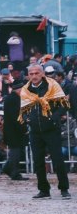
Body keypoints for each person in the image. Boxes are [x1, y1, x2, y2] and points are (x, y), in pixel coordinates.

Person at [20, 64, 70, 199]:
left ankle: (64, 189)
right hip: (35, 131)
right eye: (31, 73)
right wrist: (27, 119)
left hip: (51, 129)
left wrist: (53, 118)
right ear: (28, 75)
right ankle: (43, 190)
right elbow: (23, 109)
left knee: (58, 160)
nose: (34, 76)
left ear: (42, 74)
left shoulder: (53, 86)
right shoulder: (25, 90)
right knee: (38, 161)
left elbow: (64, 105)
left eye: (37, 73)